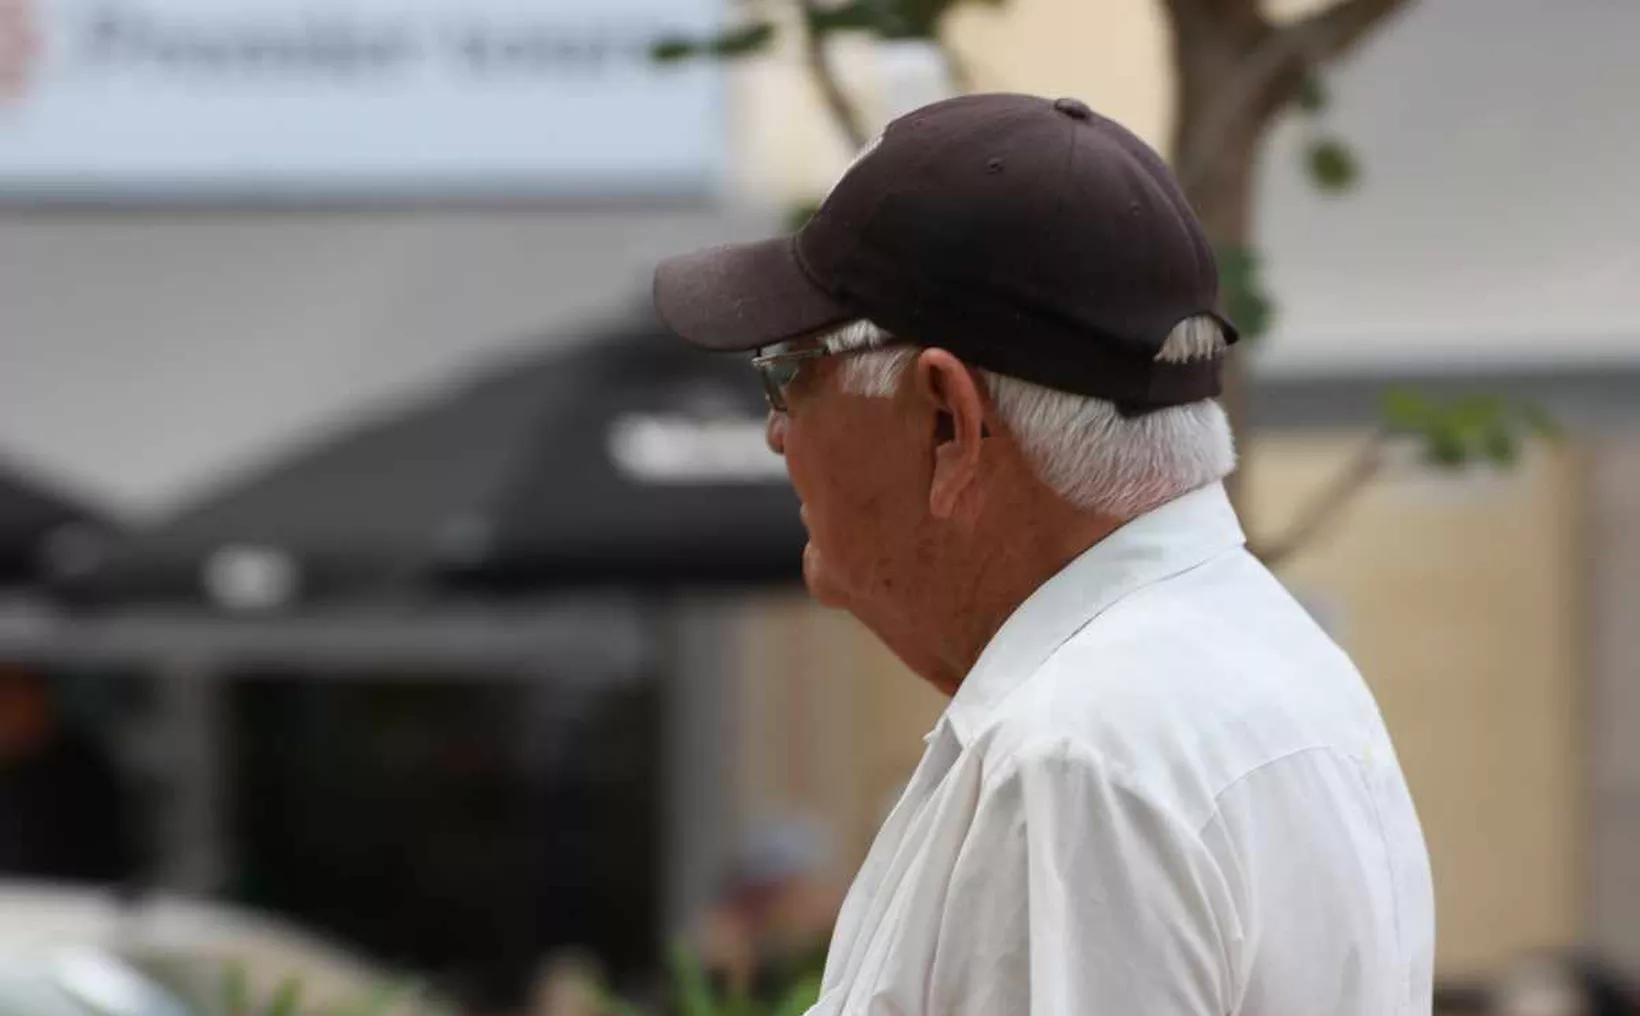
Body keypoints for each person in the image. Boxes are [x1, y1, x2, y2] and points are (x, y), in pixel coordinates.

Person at [650, 93, 1435, 1015]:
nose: (779, 435)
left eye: (790, 373)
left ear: (950, 420)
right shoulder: (1273, 673)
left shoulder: (1075, 758)